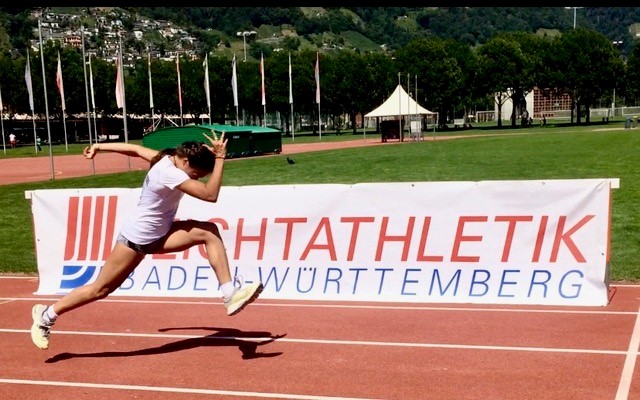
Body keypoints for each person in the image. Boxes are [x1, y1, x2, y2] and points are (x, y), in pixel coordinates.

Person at [30, 130, 263, 350]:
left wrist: (99, 146)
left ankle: (229, 293)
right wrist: (220, 158)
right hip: (136, 240)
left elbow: (134, 149)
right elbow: (210, 195)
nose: (195, 178)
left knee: (209, 231)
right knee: (99, 290)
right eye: (196, 175)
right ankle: (46, 315)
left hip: (160, 234)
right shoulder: (169, 172)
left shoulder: (168, 158)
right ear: (185, 162)